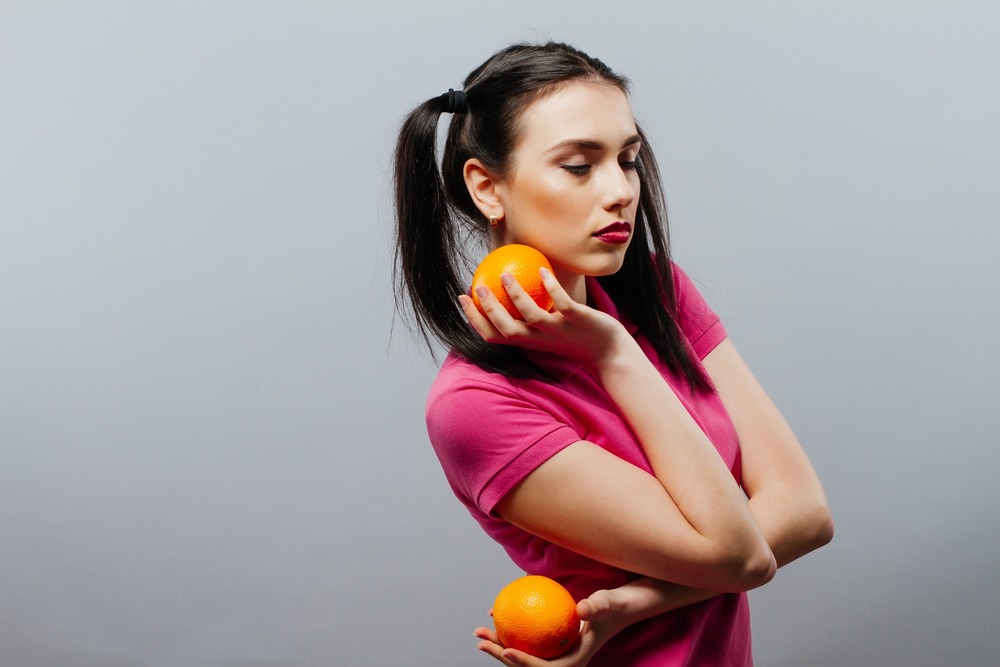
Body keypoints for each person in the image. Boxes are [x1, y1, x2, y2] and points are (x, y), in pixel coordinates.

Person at [393, 42, 834, 667]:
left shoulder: (656, 290)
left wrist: (634, 603)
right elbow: (743, 558)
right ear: (487, 187)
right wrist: (613, 353)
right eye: (578, 166)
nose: (621, 191)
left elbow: (805, 513)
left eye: (627, 161)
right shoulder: (475, 407)